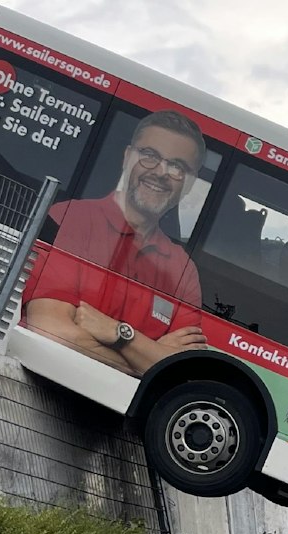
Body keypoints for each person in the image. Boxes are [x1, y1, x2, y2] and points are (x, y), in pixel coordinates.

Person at [20, 109, 209, 377]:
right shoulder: (70, 218)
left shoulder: (183, 271)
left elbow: (180, 374)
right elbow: (50, 329)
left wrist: (118, 333)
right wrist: (148, 356)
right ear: (127, 157)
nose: (161, 172)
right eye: (150, 156)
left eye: (178, 167)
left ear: (189, 183)